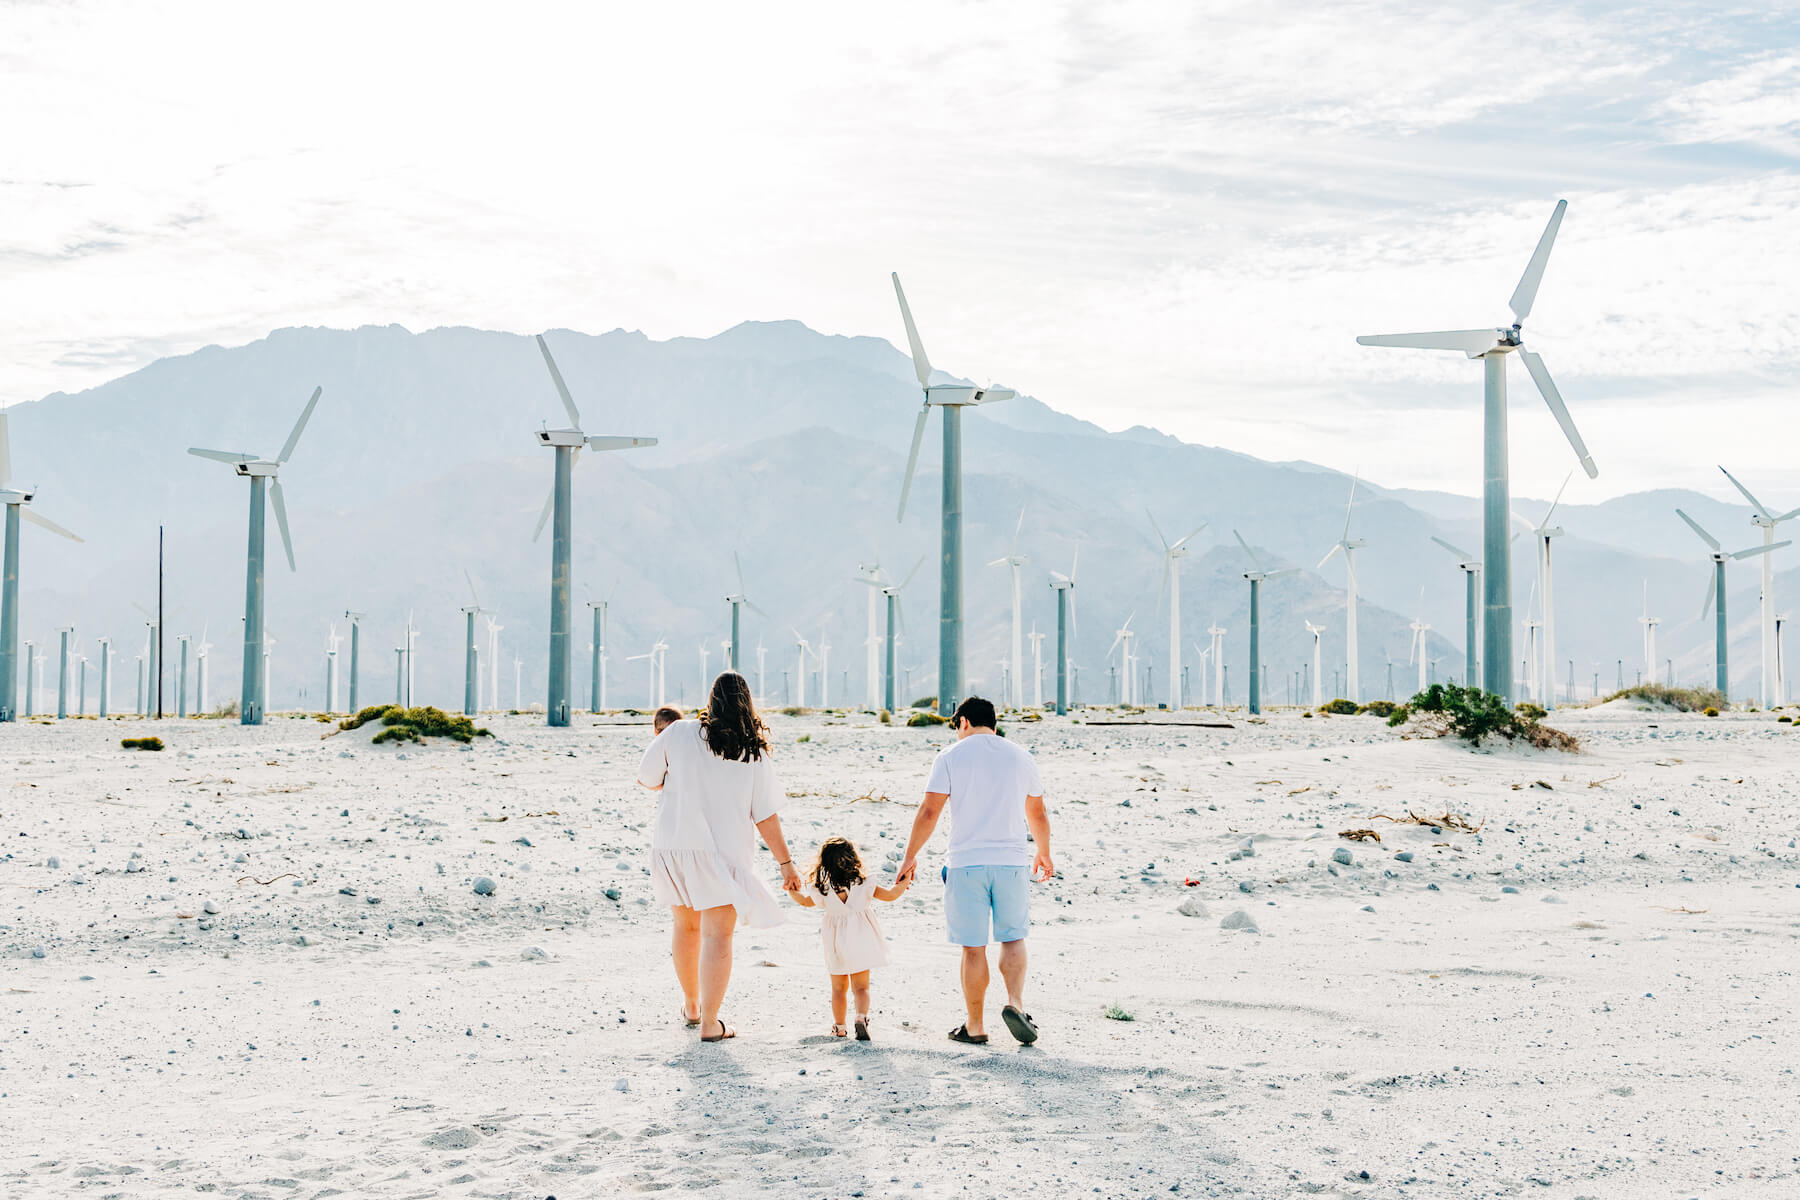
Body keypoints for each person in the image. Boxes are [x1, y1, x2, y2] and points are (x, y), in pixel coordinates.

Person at [637, 671, 801, 1042]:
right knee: (717, 937)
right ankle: (711, 1023)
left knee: (686, 927)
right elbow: (765, 815)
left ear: (711, 701)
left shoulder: (677, 733)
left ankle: (692, 1006)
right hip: (725, 854)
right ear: (747, 704)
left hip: (675, 847)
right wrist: (785, 863)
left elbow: (647, 778)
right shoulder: (753, 751)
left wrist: (679, 781)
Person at [897, 696, 1052, 1046]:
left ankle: (976, 1025)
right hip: (1012, 863)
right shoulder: (1021, 756)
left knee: (973, 948)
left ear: (963, 722)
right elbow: (1038, 814)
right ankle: (1015, 1004)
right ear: (993, 724)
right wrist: (1043, 852)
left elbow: (929, 812)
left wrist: (910, 856)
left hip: (966, 864)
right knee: (1013, 938)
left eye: (956, 727)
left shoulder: (950, 757)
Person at [787, 836, 912, 1040]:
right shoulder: (864, 883)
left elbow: (804, 902)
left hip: (835, 941)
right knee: (861, 987)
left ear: (824, 863)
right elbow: (891, 895)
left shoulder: (822, 888)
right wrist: (905, 878)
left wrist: (792, 889)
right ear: (853, 859)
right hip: (861, 938)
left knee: (838, 988)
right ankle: (861, 1017)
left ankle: (840, 1027)